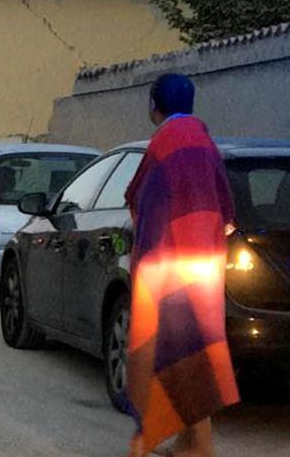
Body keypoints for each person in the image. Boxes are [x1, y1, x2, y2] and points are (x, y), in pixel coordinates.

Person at [124, 74, 239, 457]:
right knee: (195, 348)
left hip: (172, 260)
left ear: (155, 105)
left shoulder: (164, 142)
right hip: (207, 261)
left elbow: (142, 197)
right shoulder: (205, 141)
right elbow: (225, 206)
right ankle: (190, 440)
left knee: (170, 346)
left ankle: (197, 445)